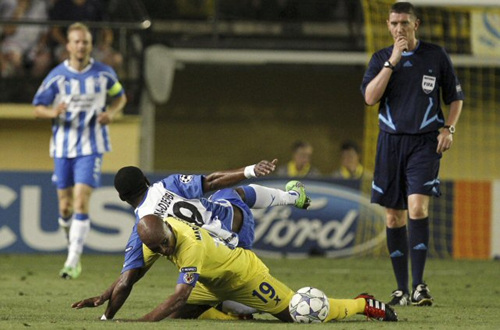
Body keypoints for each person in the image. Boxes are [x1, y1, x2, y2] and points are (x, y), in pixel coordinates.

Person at [71, 159, 311, 320]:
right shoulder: (168, 185)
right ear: (145, 178)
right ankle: (292, 197)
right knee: (230, 192)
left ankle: (234, 303)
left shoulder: (143, 231)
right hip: (235, 225)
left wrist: (105, 317)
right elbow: (212, 181)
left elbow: (127, 280)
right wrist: (249, 170)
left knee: (201, 281)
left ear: (123, 199)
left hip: (215, 252)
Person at [98, 215, 398, 322]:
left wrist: (144, 322)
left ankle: (361, 304)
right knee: (178, 315)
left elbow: (177, 295)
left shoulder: (191, 245)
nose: (164, 251)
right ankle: (231, 312)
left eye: (165, 244)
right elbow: (132, 274)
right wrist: (104, 298)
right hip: (209, 280)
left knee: (299, 314)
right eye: (158, 248)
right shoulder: (154, 236)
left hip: (244, 277)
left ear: (168, 229)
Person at [361, 2, 464, 306]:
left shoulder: (435, 55)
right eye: (393, 24)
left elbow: (455, 97)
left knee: (416, 208)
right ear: (388, 26)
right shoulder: (380, 58)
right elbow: (369, 98)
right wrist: (392, 62)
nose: (398, 29)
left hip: (424, 143)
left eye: (404, 23)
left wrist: (449, 129)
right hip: (390, 144)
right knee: (394, 217)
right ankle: (401, 290)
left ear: (416, 24)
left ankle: (420, 286)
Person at [32, 22, 127, 279]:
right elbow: (37, 107)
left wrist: (112, 113)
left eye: (85, 41)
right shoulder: (57, 76)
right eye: (76, 41)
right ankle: (69, 236)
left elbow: (121, 96)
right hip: (63, 147)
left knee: (81, 200)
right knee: (65, 208)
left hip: (92, 146)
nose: (81, 46)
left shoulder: (104, 73)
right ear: (69, 45)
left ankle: (73, 260)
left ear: (90, 45)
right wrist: (53, 112)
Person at [0, 0, 52, 77]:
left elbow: (45, 30)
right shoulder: (8, 3)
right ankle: (21, 83)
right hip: (13, 44)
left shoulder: (40, 4)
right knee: (15, 59)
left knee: (44, 58)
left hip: (34, 44)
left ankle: (33, 85)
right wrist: (19, 11)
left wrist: (41, 44)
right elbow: (8, 31)